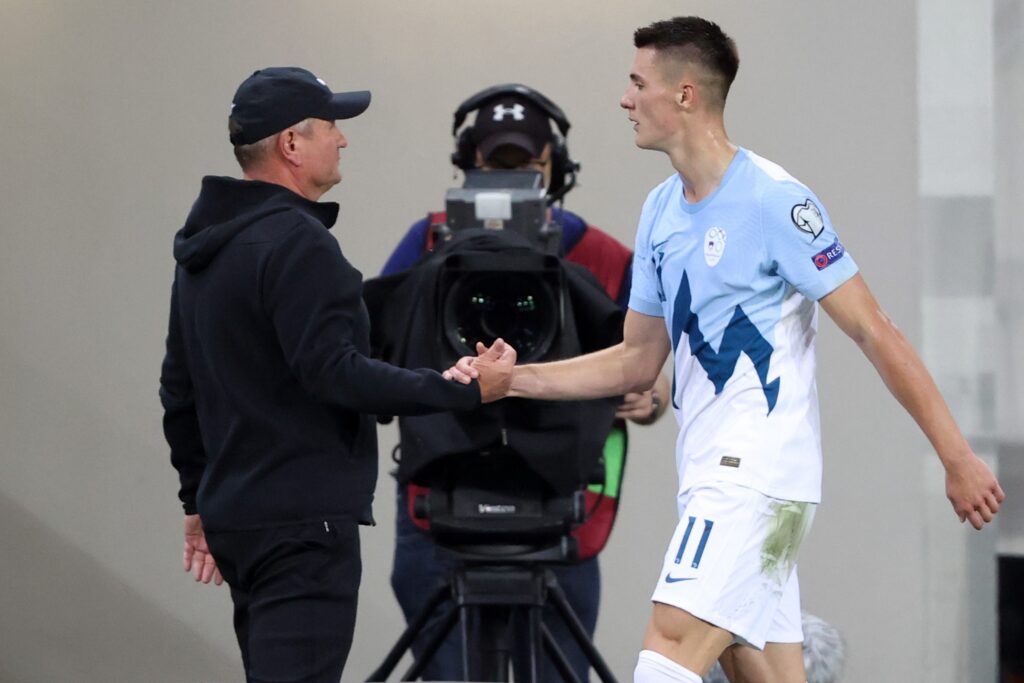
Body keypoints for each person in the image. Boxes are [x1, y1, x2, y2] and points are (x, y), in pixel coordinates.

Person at [449, 17, 1006, 683]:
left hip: (753, 480)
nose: (625, 99)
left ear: (684, 94)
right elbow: (635, 361)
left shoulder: (775, 200)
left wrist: (957, 456)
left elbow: (874, 330)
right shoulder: (660, 211)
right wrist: (514, 380)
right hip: (715, 480)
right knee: (759, 672)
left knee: (665, 653)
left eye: (638, 83)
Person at [158, 66, 512, 683]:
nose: (342, 139)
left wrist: (198, 500)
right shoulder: (299, 242)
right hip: (301, 530)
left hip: (239, 521)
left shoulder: (203, 248)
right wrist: (461, 390)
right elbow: (335, 373)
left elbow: (178, 389)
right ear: (291, 144)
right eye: (329, 126)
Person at [381, 84, 671, 681]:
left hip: (560, 508)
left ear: (556, 168)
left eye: (528, 167)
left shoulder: (602, 257)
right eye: (497, 166)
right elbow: (378, 350)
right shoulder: (427, 243)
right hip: (441, 501)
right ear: (469, 164)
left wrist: (652, 395)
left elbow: (652, 369)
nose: (513, 184)